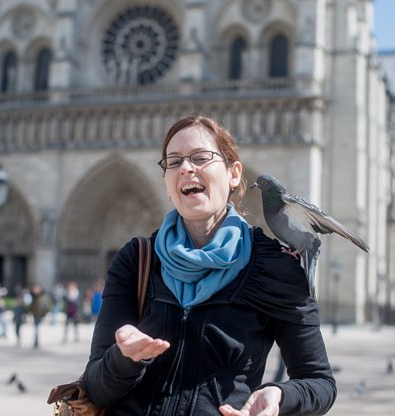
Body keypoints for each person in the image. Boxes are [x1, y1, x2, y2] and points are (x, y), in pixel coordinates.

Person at [82, 116, 336, 415]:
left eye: (201, 157)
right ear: (167, 183)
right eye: (174, 161)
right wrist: (123, 359)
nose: (186, 168)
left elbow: (319, 382)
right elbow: (95, 387)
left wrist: (280, 395)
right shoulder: (137, 259)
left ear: (233, 174)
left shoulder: (275, 266)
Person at [28, 283, 51, 349]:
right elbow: (30, 306)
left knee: (36, 328)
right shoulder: (32, 296)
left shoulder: (43, 296)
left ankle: (36, 342)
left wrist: (45, 313)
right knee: (36, 327)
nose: (35, 290)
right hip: (34, 314)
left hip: (40, 314)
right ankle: (36, 341)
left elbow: (48, 305)